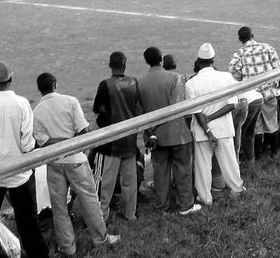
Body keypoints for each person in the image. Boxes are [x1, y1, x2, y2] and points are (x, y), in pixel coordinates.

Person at [32, 73, 120, 256]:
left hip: (54, 162)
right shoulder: (70, 101)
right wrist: (71, 141)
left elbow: (43, 141)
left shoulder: (37, 112)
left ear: (39, 89)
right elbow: (84, 130)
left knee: (59, 207)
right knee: (90, 200)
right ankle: (101, 239)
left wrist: (58, 142)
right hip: (76, 159)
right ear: (55, 84)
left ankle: (67, 247)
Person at [0, 63, 49, 258]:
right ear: (11, 79)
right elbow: (27, 145)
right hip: (20, 174)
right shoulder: (22, 104)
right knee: (29, 223)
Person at [136, 47, 200, 216]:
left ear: (146, 61)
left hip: (154, 136)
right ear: (161, 59)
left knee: (160, 173)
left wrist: (151, 132)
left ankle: (162, 207)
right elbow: (178, 107)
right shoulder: (176, 77)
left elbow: (140, 112)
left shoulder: (140, 82)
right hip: (178, 133)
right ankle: (185, 205)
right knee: (183, 169)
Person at [187, 43, 246, 206]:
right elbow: (232, 104)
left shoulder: (191, 83)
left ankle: (205, 198)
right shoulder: (226, 77)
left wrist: (207, 128)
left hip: (201, 131)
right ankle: (237, 190)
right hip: (223, 128)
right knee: (230, 162)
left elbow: (197, 112)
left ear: (199, 61)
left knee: (202, 166)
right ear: (213, 60)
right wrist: (212, 118)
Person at [92, 51, 142, 222]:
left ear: (110, 65)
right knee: (130, 182)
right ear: (125, 65)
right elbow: (138, 106)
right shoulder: (134, 82)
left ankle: (102, 217)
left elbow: (97, 108)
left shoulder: (105, 85)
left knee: (106, 183)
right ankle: (130, 214)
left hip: (111, 142)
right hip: (130, 140)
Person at [229, 27, 280, 158]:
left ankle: (258, 156)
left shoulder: (239, 54)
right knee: (272, 123)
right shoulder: (268, 48)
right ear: (252, 35)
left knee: (257, 127)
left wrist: (242, 79)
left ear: (240, 39)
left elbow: (233, 73)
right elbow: (278, 69)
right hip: (269, 91)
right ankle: (274, 153)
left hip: (252, 96)